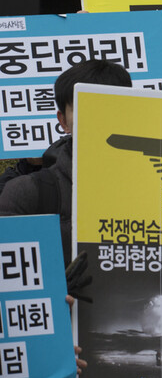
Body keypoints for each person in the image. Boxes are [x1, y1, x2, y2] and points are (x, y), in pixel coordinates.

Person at [0, 59, 132, 263]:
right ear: (63, 121)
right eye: (86, 106)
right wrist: (58, 290)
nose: (100, 117)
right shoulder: (26, 193)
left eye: (111, 105)